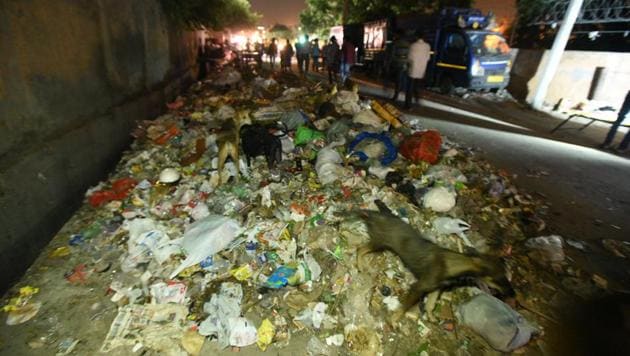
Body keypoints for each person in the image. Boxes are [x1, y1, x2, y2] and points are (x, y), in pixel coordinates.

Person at [405, 31, 431, 109]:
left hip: (412, 69)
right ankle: (417, 101)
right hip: (421, 70)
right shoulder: (427, 46)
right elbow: (428, 58)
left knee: (409, 87)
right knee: (416, 87)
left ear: (416, 37)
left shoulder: (413, 45)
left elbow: (409, 58)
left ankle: (408, 105)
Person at [389, 32, 411, 101]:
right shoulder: (408, 44)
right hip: (406, 64)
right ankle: (404, 95)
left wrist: (394, 61)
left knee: (398, 81)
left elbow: (392, 55)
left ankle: (396, 96)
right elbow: (409, 55)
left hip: (398, 64)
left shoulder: (396, 43)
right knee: (405, 80)